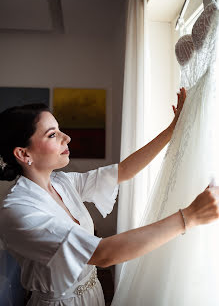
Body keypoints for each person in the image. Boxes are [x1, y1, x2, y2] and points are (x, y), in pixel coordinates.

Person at [0, 88, 219, 306]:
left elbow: (123, 171)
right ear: (23, 153)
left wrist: (173, 129)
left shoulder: (62, 182)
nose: (67, 138)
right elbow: (103, 254)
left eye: (60, 130)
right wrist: (189, 217)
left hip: (93, 295)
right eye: (52, 134)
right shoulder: (19, 211)